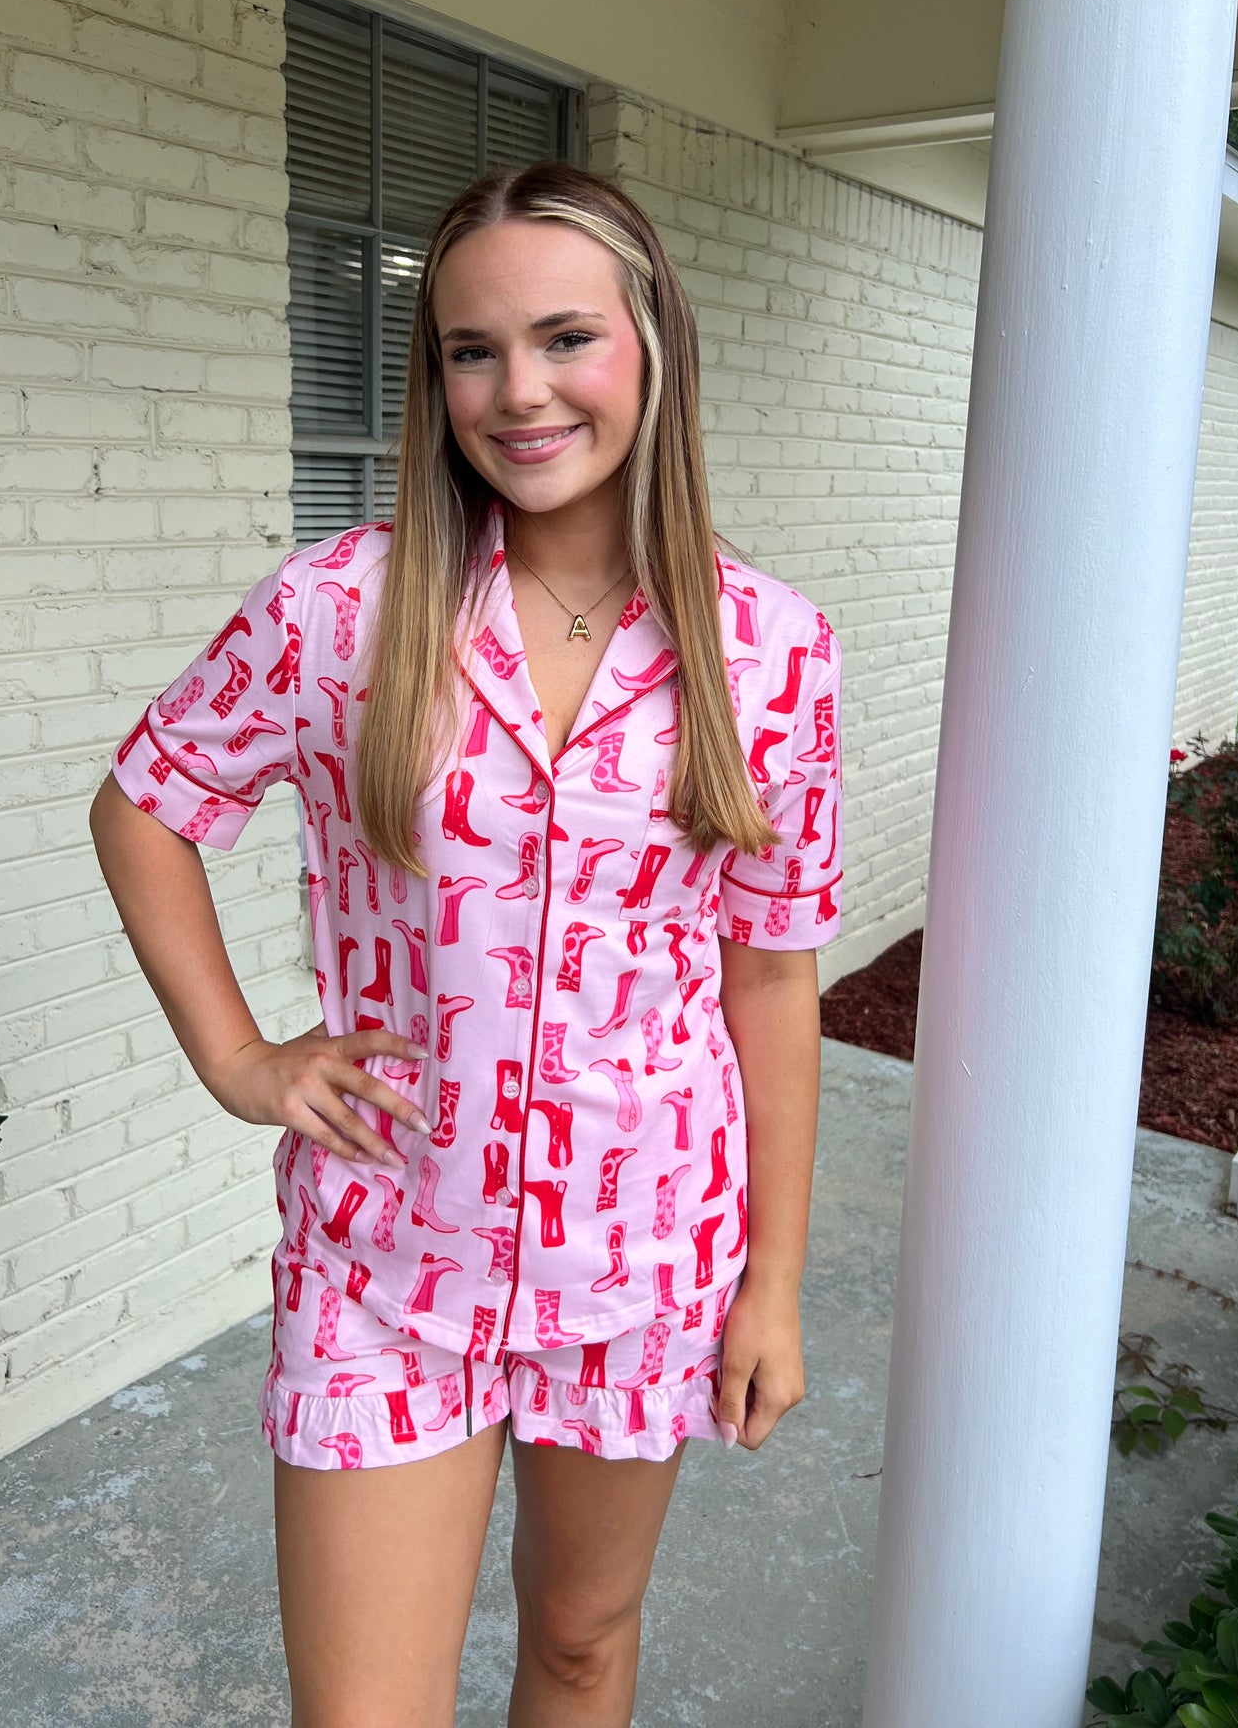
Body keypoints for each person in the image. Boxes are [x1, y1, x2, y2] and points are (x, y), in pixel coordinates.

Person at [89, 159, 842, 1728]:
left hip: (644, 1253)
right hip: (384, 1255)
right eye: (469, 351)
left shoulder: (771, 650)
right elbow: (147, 804)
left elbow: (770, 975)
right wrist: (239, 1058)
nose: (519, 392)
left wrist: (769, 1281)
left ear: (652, 342)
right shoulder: (336, 610)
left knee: (578, 1645)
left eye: (565, 338)